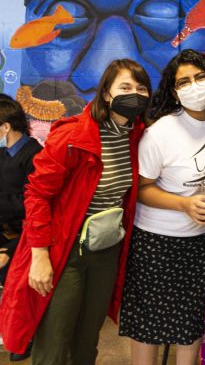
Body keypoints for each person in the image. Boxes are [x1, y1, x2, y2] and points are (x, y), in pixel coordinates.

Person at [0, 59, 151, 364]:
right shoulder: (72, 136)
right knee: (54, 342)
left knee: (86, 341)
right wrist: (40, 256)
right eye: (125, 87)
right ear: (106, 93)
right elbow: (38, 194)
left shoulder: (137, 136)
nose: (134, 93)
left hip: (106, 249)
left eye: (141, 87)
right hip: (65, 251)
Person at [118, 50, 205, 364]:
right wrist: (184, 204)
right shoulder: (160, 133)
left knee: (190, 319)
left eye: (200, 77)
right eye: (184, 81)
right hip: (155, 240)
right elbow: (142, 189)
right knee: (148, 323)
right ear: (174, 91)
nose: (194, 85)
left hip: (200, 240)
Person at [0, 96, 43, 286]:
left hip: (22, 237)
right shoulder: (3, 153)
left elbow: (30, 202)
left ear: (6, 127)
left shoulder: (35, 155)